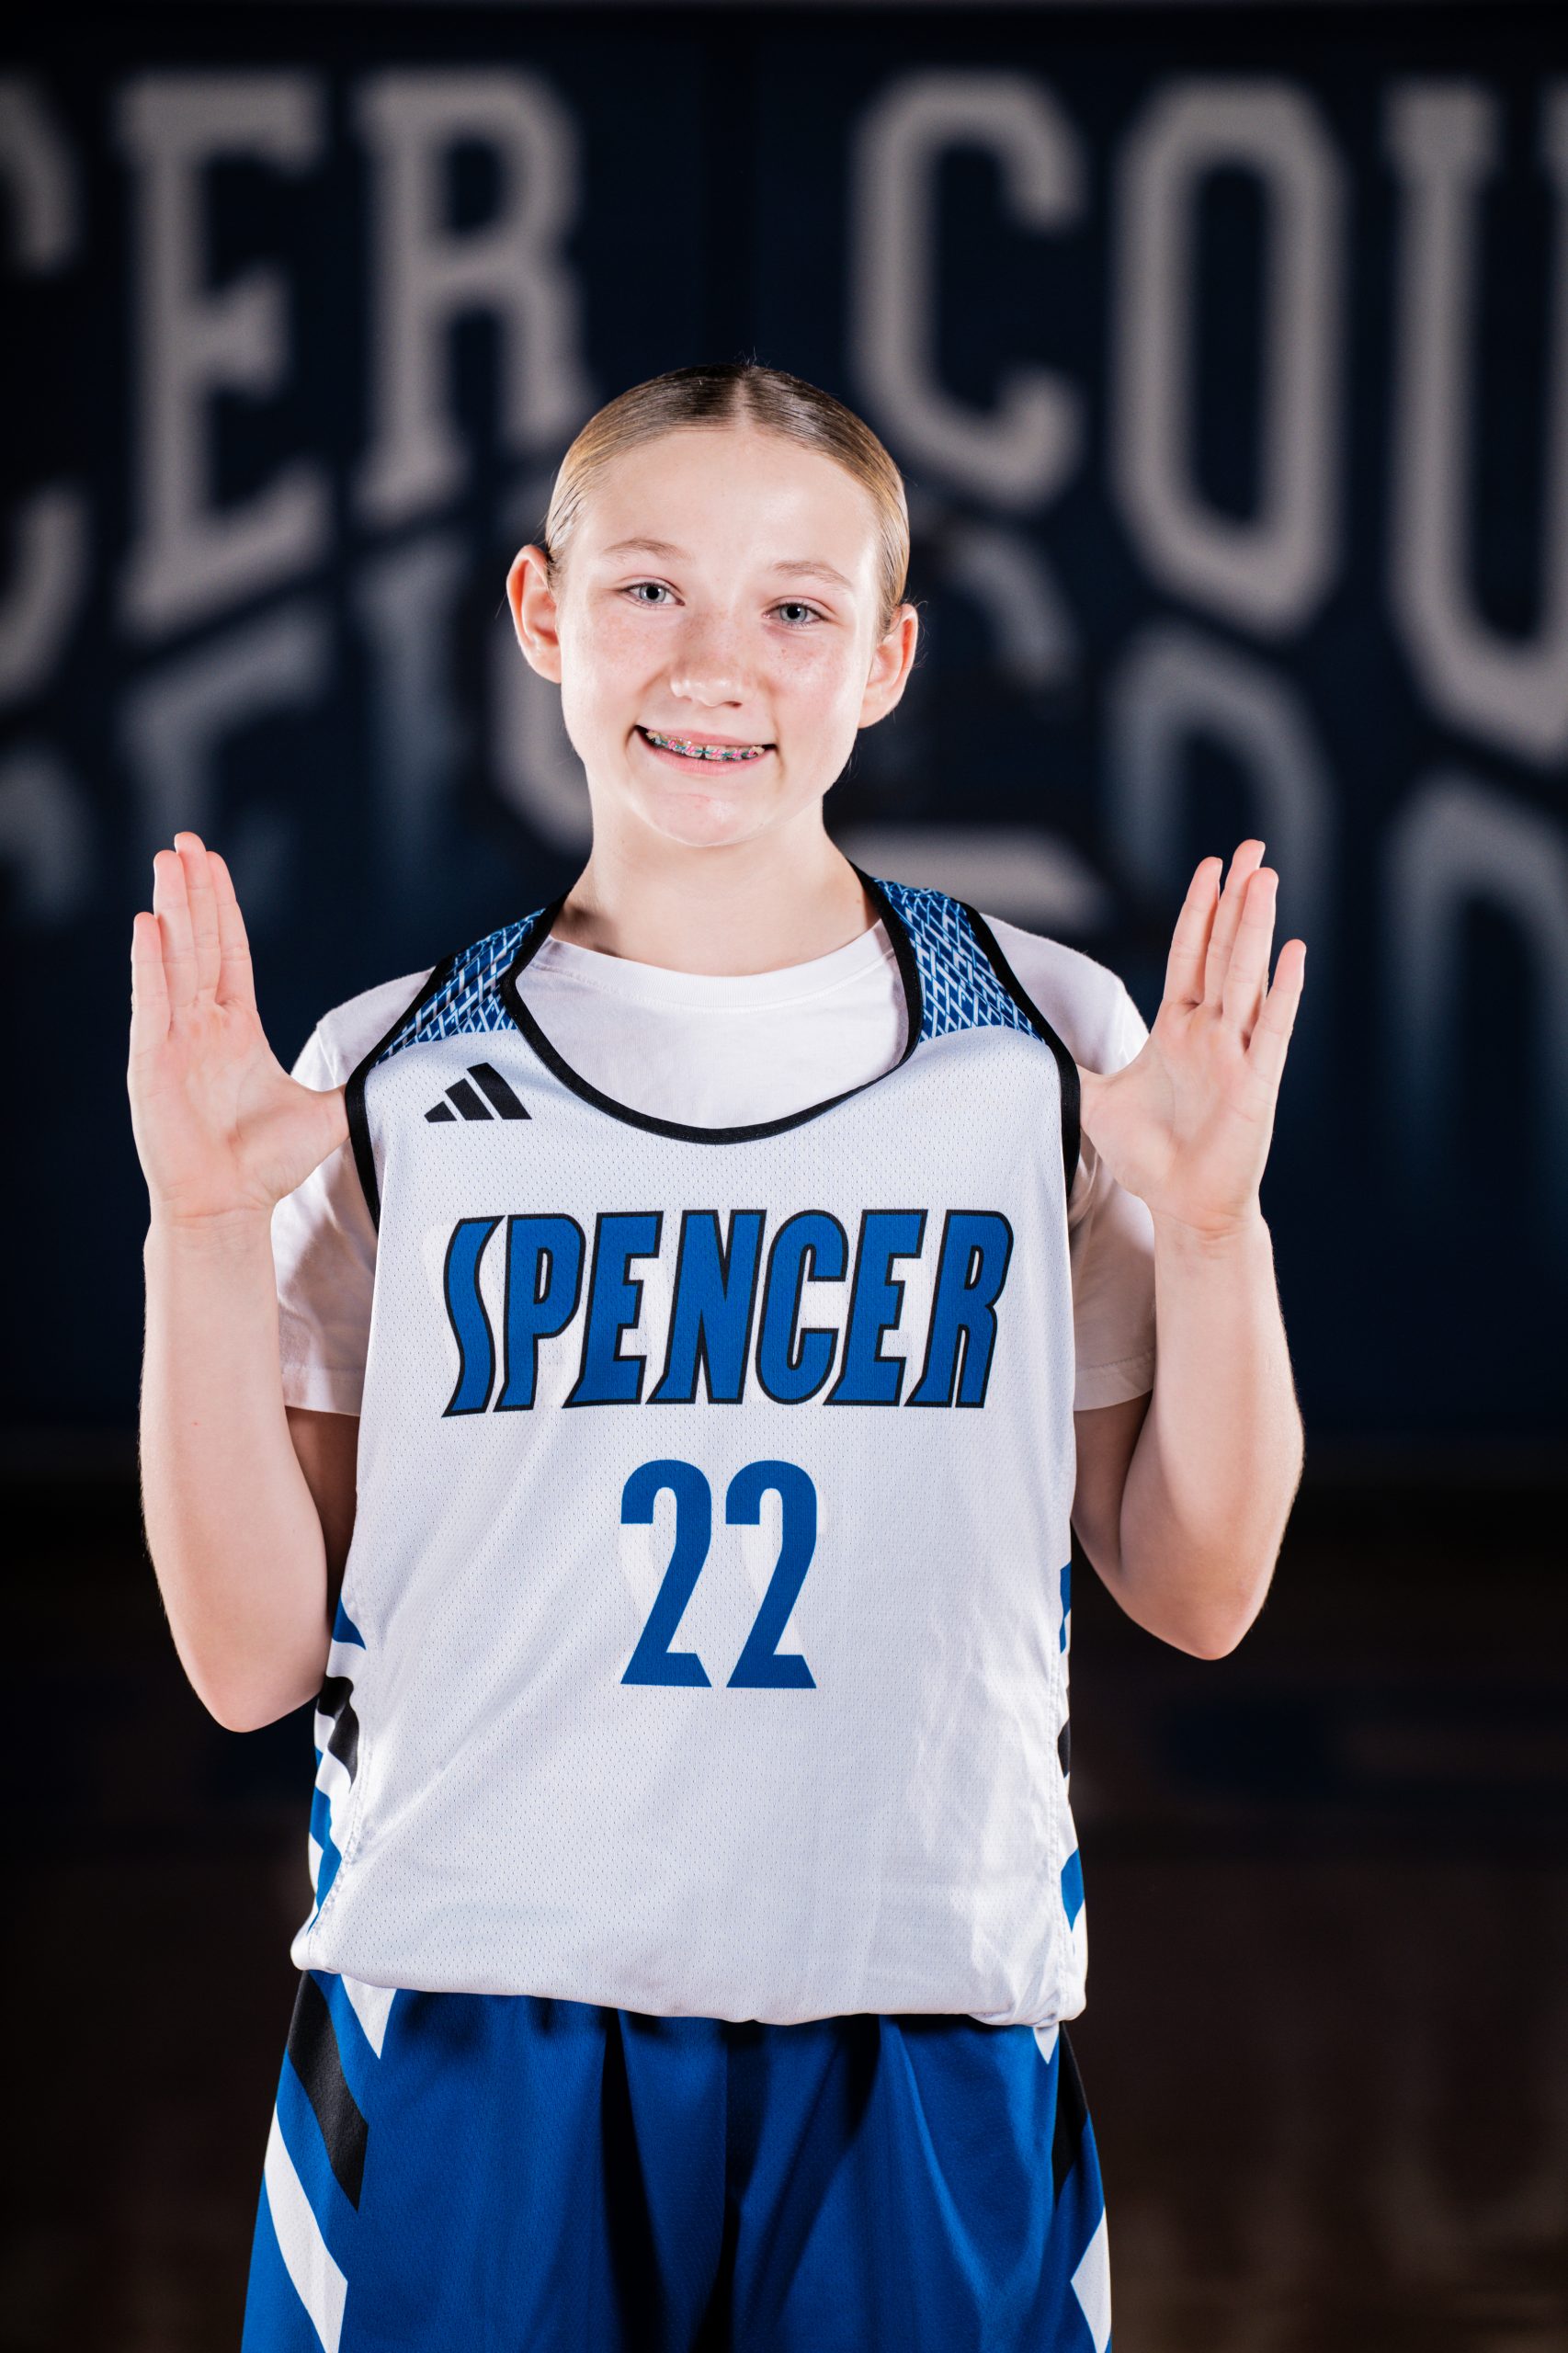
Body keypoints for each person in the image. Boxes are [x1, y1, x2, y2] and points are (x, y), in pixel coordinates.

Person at [129, 361, 1305, 2353]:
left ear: (887, 658)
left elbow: (1196, 1589)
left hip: (922, 1997)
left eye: (795, 606)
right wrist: (200, 1234)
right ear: (542, 613)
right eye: (651, 587)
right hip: (471, 2008)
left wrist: (1209, 1233)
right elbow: (250, 1661)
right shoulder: (382, 1076)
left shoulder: (1044, 1045)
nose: (714, 664)